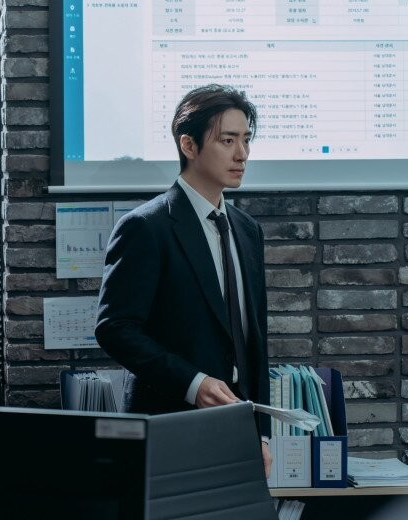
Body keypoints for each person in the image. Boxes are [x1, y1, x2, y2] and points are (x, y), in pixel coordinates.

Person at [95, 84, 272, 476]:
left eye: (246, 140)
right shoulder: (146, 227)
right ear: (188, 145)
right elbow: (115, 329)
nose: (242, 154)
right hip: (169, 425)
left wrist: (262, 434)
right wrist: (194, 383)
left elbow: (255, 340)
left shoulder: (247, 230)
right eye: (227, 140)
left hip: (238, 428)